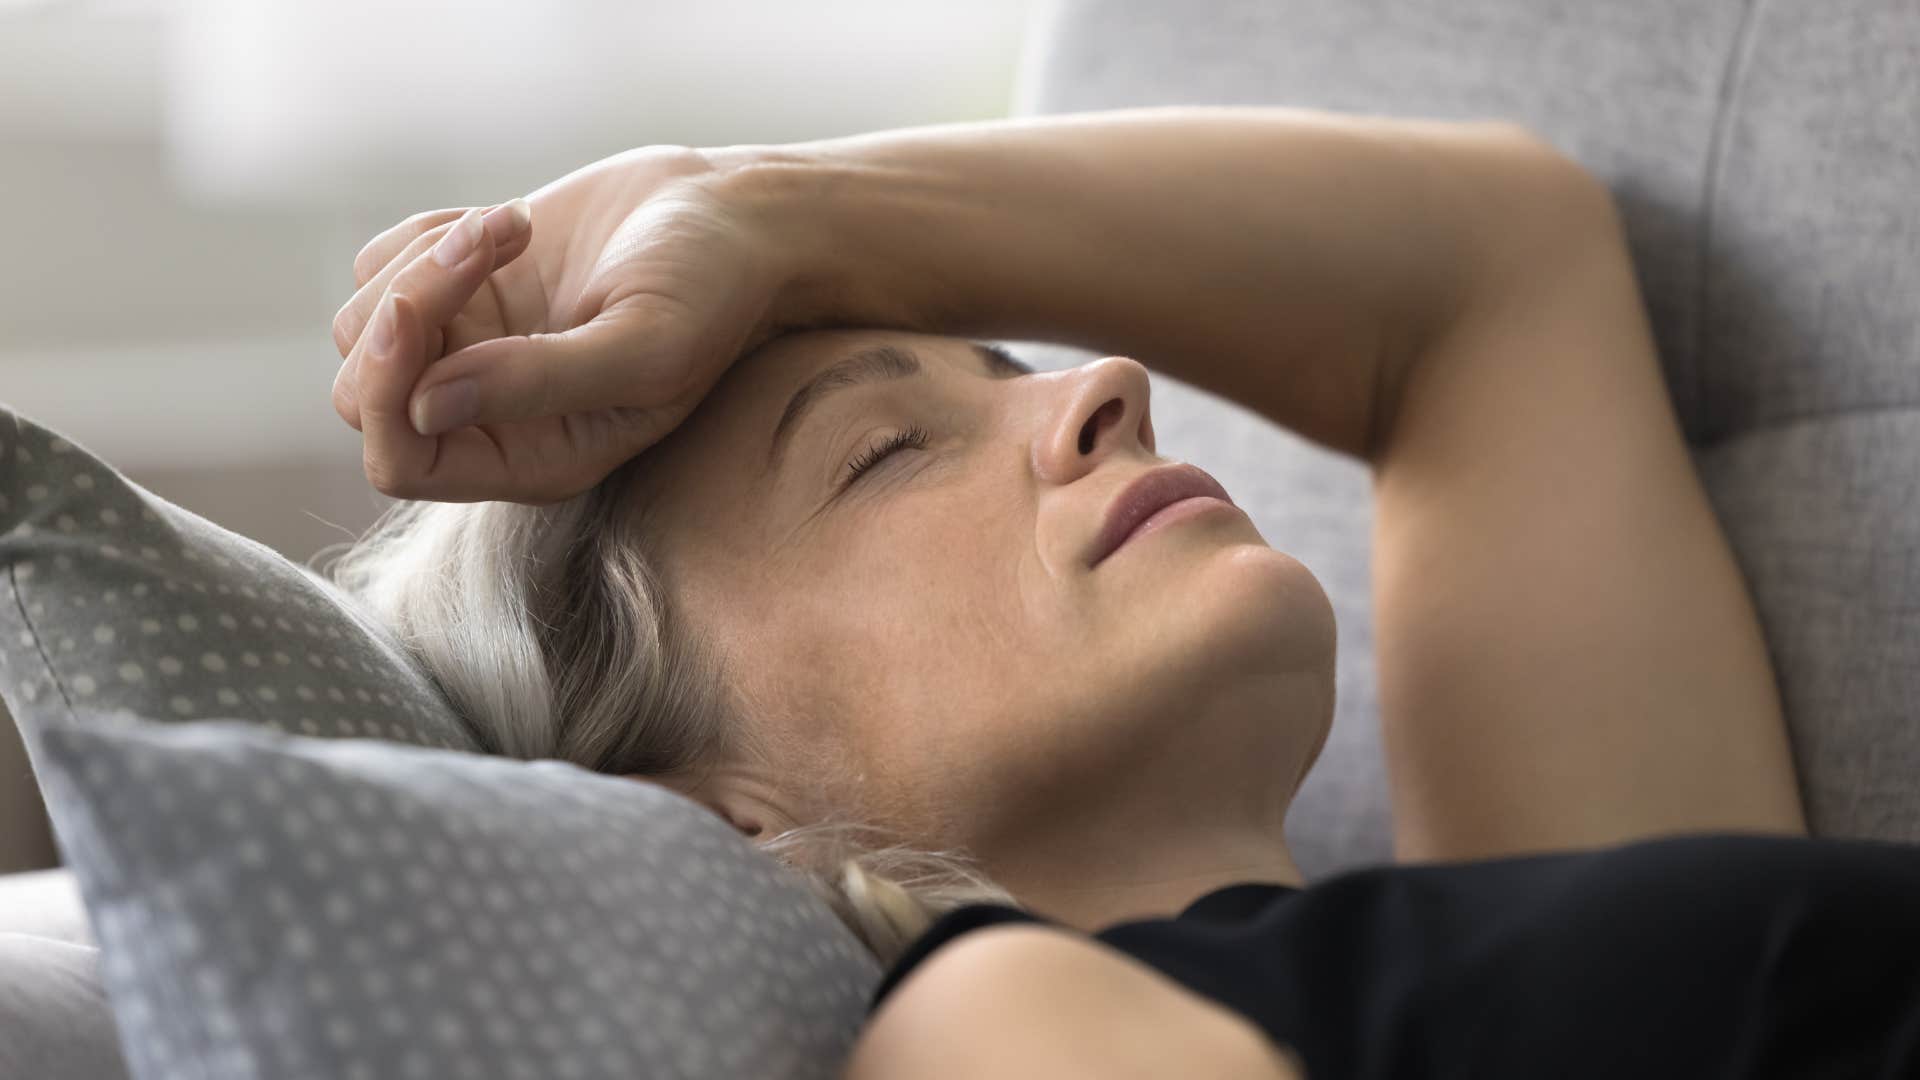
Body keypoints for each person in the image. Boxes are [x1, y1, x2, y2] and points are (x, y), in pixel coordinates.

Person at [318, 107, 1919, 1079]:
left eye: (1006, 363)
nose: (1108, 382)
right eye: (884, 452)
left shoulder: (1524, 944)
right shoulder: (993, 1024)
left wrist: (755, 204)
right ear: (714, 811)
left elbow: (1495, 252)